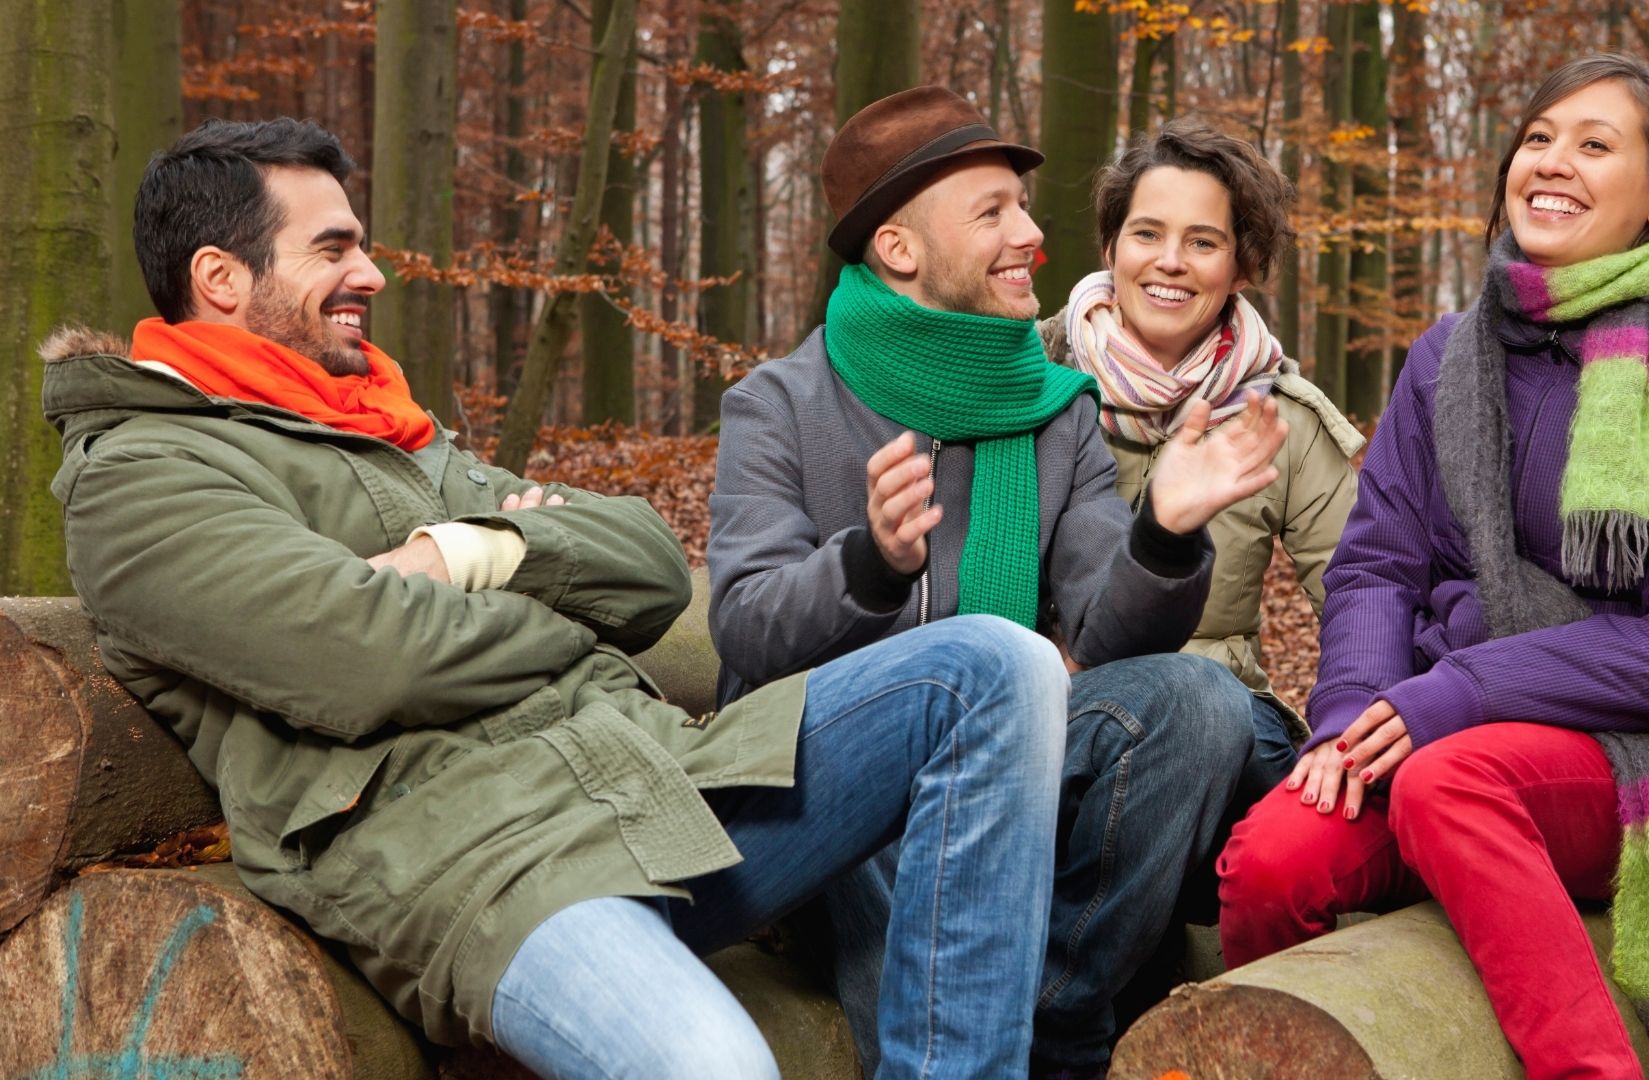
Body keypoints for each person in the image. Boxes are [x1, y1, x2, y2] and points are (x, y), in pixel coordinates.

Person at [45, 117, 1078, 1079]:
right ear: (221, 278)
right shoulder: (142, 476)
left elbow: (645, 563)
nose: (371, 271)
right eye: (332, 248)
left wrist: (459, 553)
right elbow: (367, 659)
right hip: (474, 858)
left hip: (654, 776)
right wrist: (545, 586)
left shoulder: (387, 429)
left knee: (996, 665)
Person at [707, 86, 1289, 1077]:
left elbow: (1108, 631)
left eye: (1024, 205)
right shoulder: (779, 405)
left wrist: (1165, 532)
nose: (1033, 234)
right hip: (841, 789)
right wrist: (870, 566)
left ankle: (1057, 1012)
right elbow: (747, 632)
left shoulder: (1055, 412)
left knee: (1198, 702)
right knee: (939, 722)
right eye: (994, 212)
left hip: (1009, 754)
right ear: (898, 249)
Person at [1215, 53, 1649, 1079]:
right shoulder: (1445, 358)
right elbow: (1378, 566)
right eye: (1538, 138)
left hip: (1617, 752)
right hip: (1429, 715)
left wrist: (1465, 691)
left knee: (1447, 783)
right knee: (1272, 860)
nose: (1552, 163)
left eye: (1595, 145)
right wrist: (1348, 720)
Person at [1035, 118, 1365, 807]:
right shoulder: (1030, 380)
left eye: (1203, 242)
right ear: (1110, 246)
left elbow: (1360, 592)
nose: (1170, 261)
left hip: (1225, 722)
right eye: (1147, 233)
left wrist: (1350, 724)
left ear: (1241, 266)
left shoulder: (1284, 418)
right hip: (1050, 706)